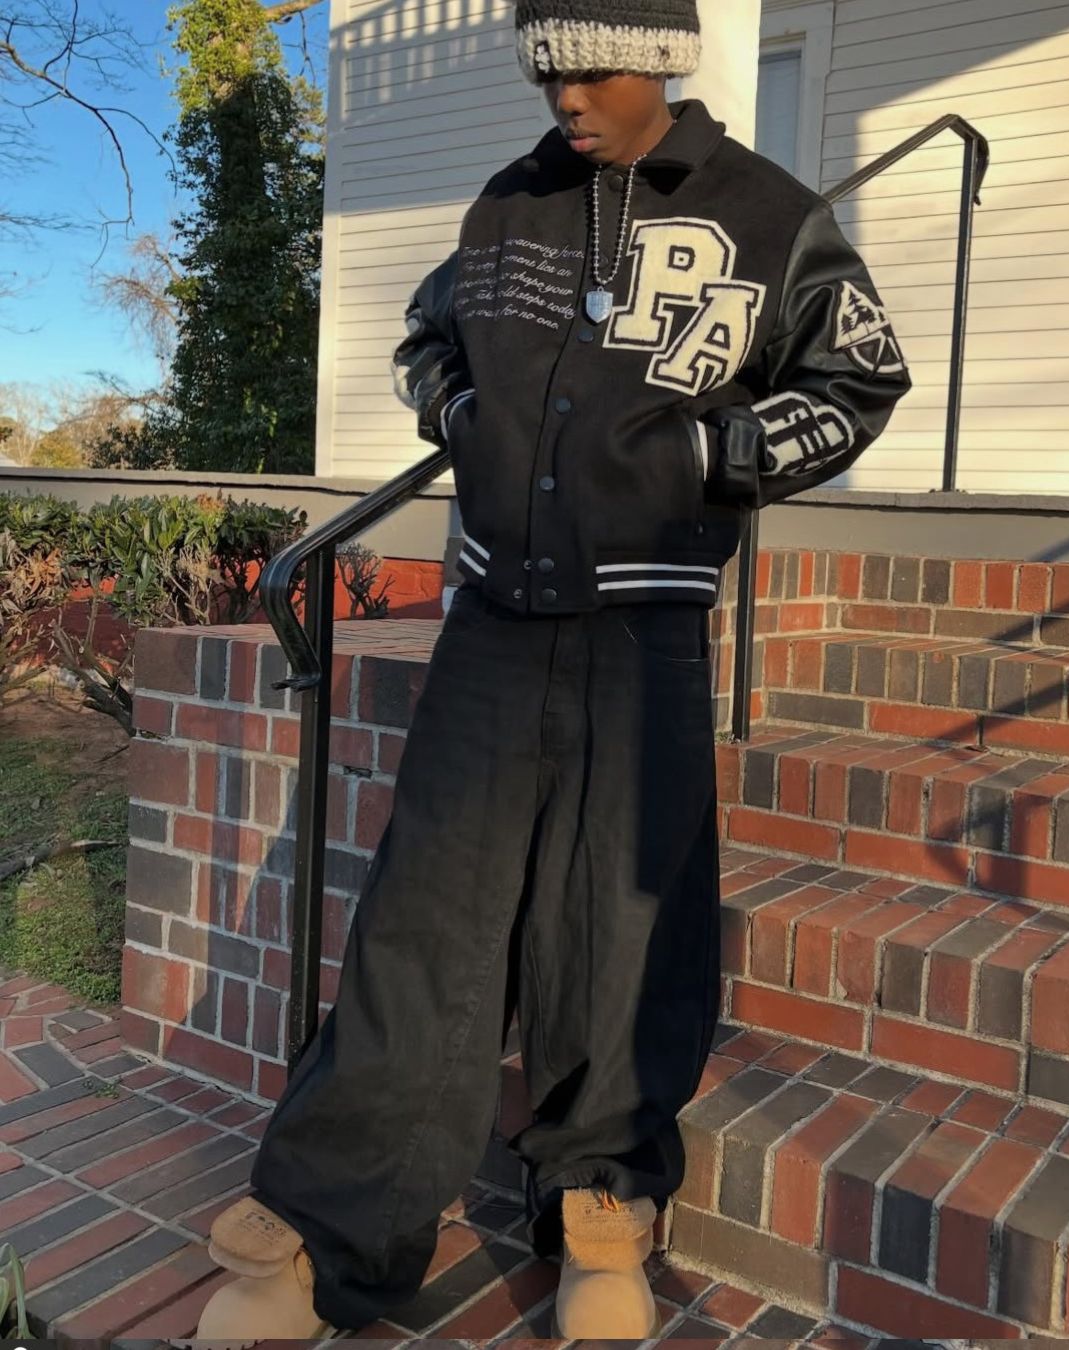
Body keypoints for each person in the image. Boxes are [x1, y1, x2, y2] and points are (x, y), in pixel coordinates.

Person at [186, 0, 912, 1342]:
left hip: (644, 631)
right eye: (547, 71)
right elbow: (425, 344)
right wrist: (462, 414)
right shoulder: (505, 207)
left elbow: (861, 379)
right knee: (423, 922)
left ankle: (601, 1205)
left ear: (661, 63)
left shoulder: (771, 215)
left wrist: (704, 457)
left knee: (621, 928)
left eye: (594, 69)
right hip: (494, 625)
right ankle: (334, 1230)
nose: (567, 97)